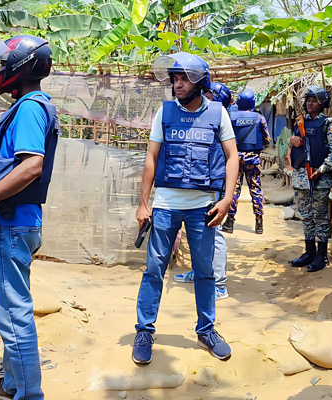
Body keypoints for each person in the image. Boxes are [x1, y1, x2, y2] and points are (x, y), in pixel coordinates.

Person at [133, 52, 239, 365]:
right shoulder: (163, 113)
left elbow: (232, 157)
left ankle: (206, 329)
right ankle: (144, 330)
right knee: (154, 268)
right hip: (166, 206)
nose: (177, 84)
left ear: (199, 82)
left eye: (183, 79)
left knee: (205, 270)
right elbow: (151, 159)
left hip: (203, 207)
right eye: (174, 78)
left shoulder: (218, 114)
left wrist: (227, 198)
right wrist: (144, 204)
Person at [0, 35, 58, 400]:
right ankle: (12, 384)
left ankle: (29, 394)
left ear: (21, 68)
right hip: (13, 221)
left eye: (5, 65)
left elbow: (31, 166)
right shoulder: (28, 105)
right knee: (9, 307)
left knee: (12, 313)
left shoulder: (30, 108)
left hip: (10, 222)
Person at [174, 81, 232, 301]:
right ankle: (199, 272)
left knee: (213, 233)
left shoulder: (218, 118)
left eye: (207, 92)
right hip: (196, 185)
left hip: (211, 186)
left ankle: (219, 283)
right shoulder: (202, 117)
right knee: (196, 234)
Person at [288, 85, 332, 272]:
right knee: (305, 217)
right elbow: (294, 143)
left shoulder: (328, 123)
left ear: (322, 103)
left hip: (319, 179)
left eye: (314, 100)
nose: (310, 103)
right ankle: (309, 252)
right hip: (300, 177)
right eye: (308, 100)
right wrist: (290, 141)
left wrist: (322, 169)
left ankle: (321, 256)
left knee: (320, 218)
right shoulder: (300, 122)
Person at [222, 89, 271, 234]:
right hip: (253, 158)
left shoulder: (230, 116)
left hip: (235, 158)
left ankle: (230, 222)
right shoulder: (259, 118)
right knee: (255, 189)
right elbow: (267, 140)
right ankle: (259, 223)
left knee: (234, 188)